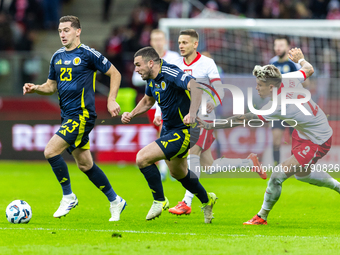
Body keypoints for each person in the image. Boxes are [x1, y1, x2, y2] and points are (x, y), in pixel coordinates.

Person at [198, 48, 340, 225]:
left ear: (271, 86)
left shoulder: (277, 106)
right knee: (302, 175)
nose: (256, 88)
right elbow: (309, 69)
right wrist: (301, 59)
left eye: (259, 85)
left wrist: (213, 125)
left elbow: (242, 119)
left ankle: (261, 216)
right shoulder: (288, 78)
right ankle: (337, 186)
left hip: (319, 140)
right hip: (304, 133)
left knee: (277, 175)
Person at [23, 15, 126, 221]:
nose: (62, 34)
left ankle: (68, 196)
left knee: (50, 151)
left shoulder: (88, 54)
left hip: (82, 116)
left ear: (78, 31)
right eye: (60, 30)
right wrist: (36, 89)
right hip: (67, 117)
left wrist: (111, 100)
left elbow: (115, 73)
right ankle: (115, 200)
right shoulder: (57, 57)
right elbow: (50, 86)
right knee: (85, 164)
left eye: (67, 30)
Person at [165, 29, 266, 216]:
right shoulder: (175, 63)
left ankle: (186, 202)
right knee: (209, 167)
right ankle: (248, 162)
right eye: (179, 42)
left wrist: (214, 101)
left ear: (195, 44)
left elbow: (220, 89)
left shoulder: (207, 63)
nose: (181, 46)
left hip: (204, 118)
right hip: (185, 117)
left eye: (185, 42)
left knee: (192, 153)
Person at [122, 46, 217, 223]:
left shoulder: (169, 72)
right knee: (178, 173)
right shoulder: (151, 78)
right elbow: (148, 101)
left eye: (138, 65)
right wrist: (132, 113)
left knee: (142, 158)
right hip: (169, 129)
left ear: (151, 63)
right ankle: (207, 199)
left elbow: (196, 86)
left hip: (184, 130)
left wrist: (193, 112)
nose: (136, 69)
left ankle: (159, 200)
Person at [132, 29, 180, 181]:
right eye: (155, 39)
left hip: (170, 103)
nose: (158, 42)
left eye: (160, 39)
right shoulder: (146, 59)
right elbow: (135, 78)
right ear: (151, 42)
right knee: (161, 136)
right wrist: (152, 74)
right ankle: (169, 168)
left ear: (165, 41)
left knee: (165, 134)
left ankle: (166, 170)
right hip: (153, 104)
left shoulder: (174, 57)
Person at [269, 35, 300, 166]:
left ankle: (295, 166)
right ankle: (276, 167)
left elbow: (307, 82)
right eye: (276, 45)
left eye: (281, 45)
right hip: (278, 108)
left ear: (288, 47)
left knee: (296, 141)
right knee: (276, 141)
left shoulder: (294, 64)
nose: (278, 48)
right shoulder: (272, 63)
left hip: (293, 108)